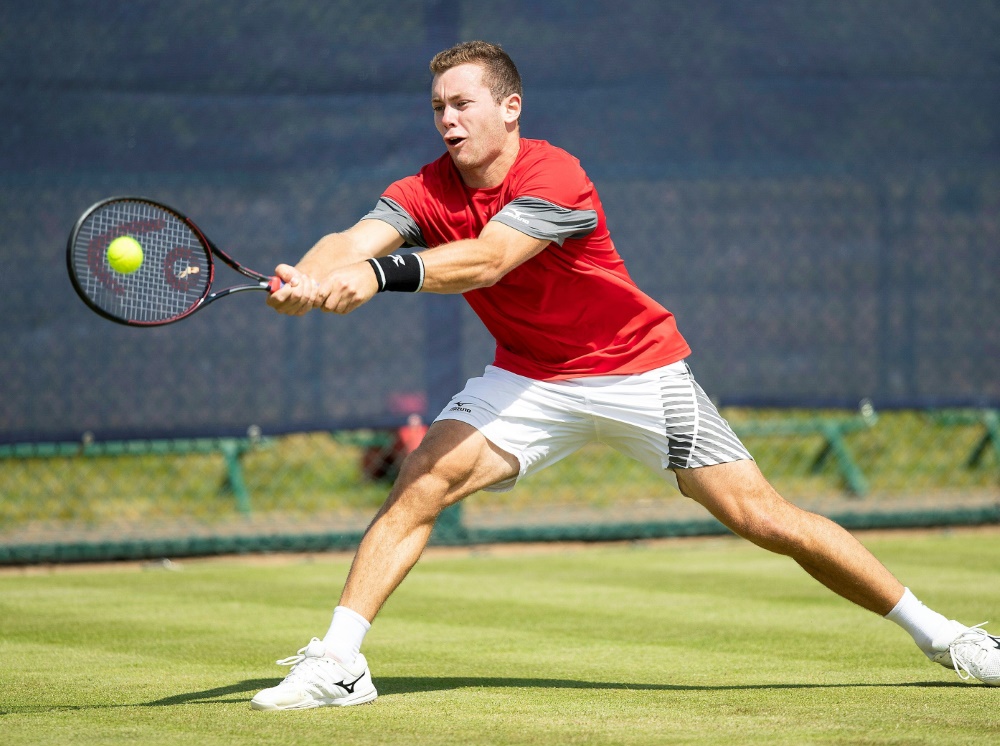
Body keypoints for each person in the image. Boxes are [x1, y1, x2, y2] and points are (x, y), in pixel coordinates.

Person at [249, 41, 999, 710]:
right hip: (530, 379)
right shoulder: (424, 188)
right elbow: (352, 237)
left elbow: (487, 259)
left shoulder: (556, 174)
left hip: (639, 372)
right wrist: (307, 277)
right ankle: (340, 662)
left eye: (463, 103)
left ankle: (944, 636)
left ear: (510, 108)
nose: (448, 119)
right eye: (438, 106)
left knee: (765, 517)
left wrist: (376, 275)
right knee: (421, 479)